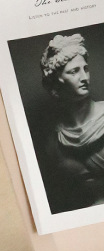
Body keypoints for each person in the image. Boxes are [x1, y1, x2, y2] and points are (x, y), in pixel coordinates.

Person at [40, 33, 104, 210]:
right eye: (74, 71)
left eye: (86, 69)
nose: (85, 77)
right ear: (56, 82)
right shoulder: (54, 141)